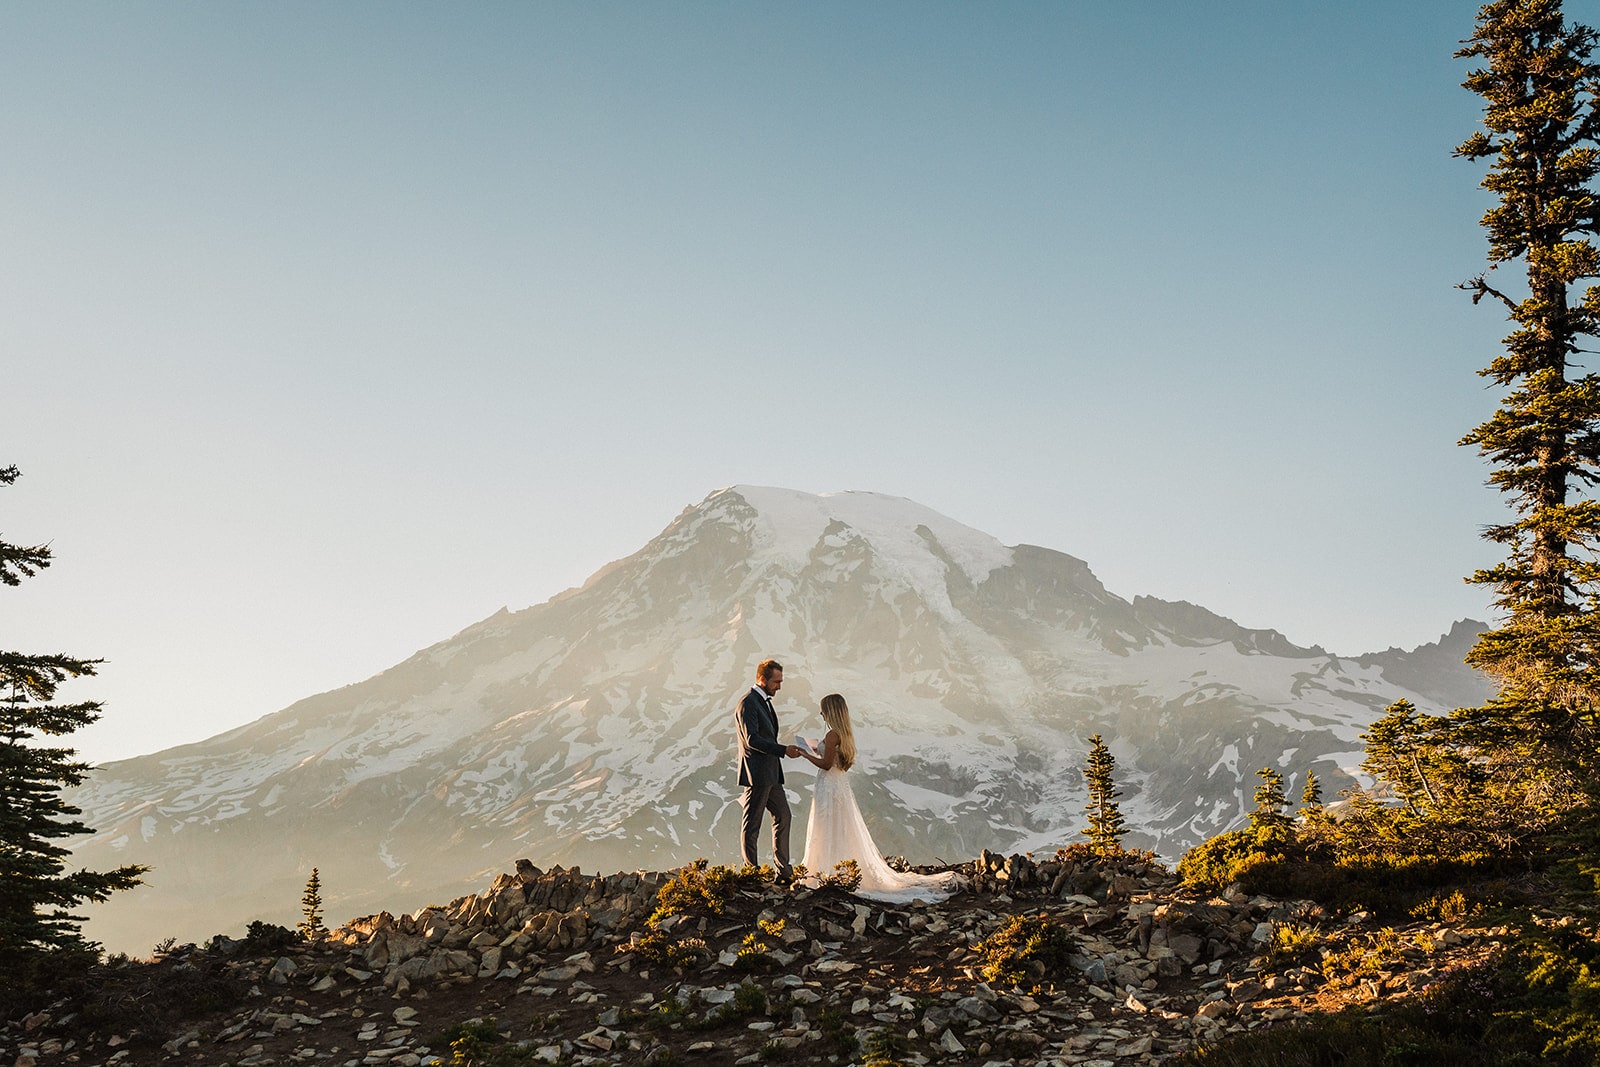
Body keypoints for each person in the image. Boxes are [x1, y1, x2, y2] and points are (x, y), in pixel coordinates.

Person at [797, 693, 963, 903]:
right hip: (838, 786)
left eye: (823, 709)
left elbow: (826, 764)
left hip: (828, 785)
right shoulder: (843, 733)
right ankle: (838, 870)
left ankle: (825, 870)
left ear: (830, 711)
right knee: (839, 827)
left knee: (827, 825)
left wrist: (805, 753)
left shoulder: (831, 735)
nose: (821, 713)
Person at [735, 658, 803, 881]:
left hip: (772, 774)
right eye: (776, 682)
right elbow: (752, 739)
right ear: (762, 679)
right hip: (757, 774)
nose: (779, 687)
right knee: (752, 824)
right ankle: (750, 873)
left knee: (783, 816)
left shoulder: (764, 702)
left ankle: (783, 871)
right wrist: (783, 750)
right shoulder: (748, 703)